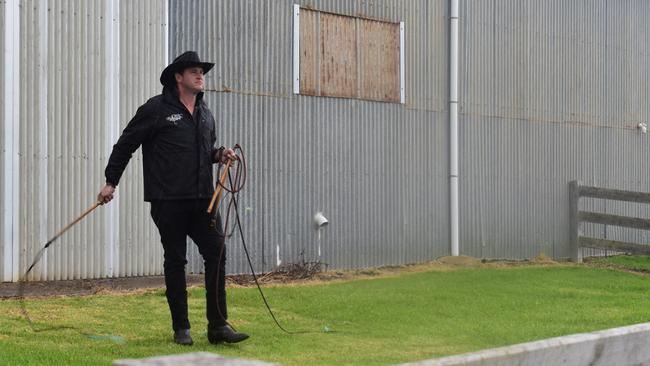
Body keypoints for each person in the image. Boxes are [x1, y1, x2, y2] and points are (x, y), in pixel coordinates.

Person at [97, 51, 249, 345]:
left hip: (205, 199)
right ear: (178, 77)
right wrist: (110, 181)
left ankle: (218, 326)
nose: (200, 75)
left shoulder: (206, 115)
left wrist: (220, 155)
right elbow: (126, 144)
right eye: (194, 71)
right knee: (176, 259)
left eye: (201, 71)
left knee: (216, 253)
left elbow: (205, 153)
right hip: (168, 200)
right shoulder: (156, 109)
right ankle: (182, 329)